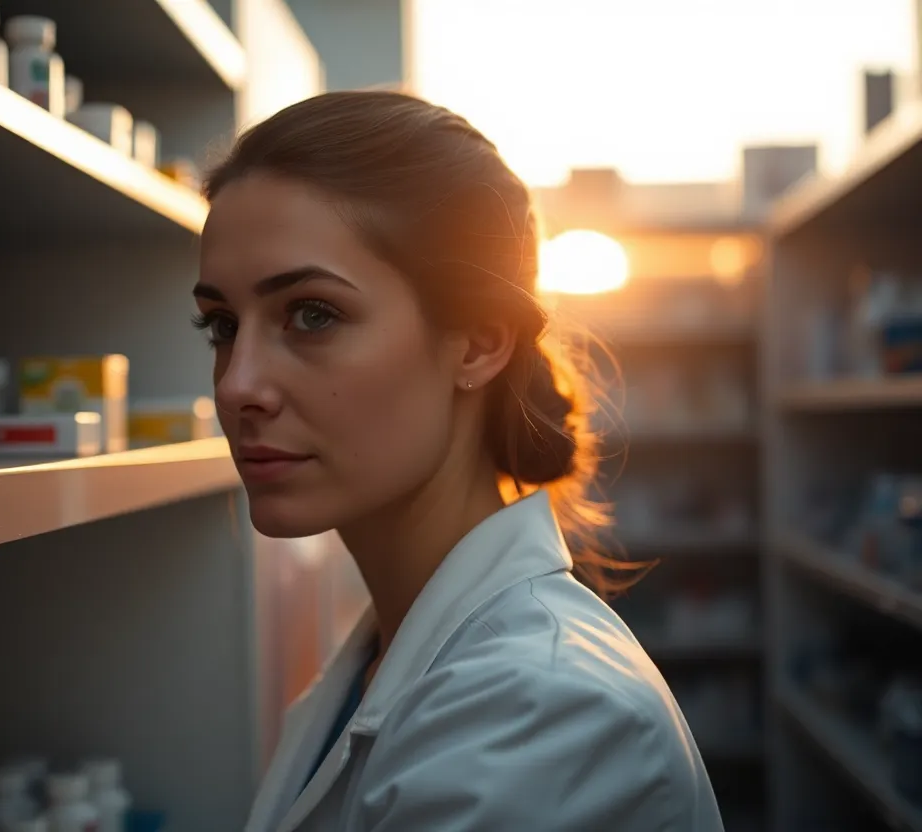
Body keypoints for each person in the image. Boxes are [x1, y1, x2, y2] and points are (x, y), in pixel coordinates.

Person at [194, 91, 723, 832]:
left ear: (477, 343)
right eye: (221, 325)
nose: (239, 385)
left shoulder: (548, 716)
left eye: (313, 315)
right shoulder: (375, 663)